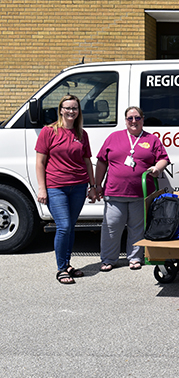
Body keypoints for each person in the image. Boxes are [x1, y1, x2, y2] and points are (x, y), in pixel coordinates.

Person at [95, 106, 170, 272]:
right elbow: (101, 161)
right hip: (115, 193)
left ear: (143, 119)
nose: (134, 121)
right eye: (130, 118)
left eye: (137, 118)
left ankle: (135, 258)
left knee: (137, 228)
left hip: (141, 194)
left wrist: (157, 169)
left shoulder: (152, 139)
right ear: (125, 120)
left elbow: (164, 158)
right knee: (111, 227)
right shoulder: (114, 137)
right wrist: (97, 184)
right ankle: (108, 259)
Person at [35, 95, 96, 284]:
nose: (71, 111)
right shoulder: (48, 131)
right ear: (60, 109)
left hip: (78, 186)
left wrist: (93, 186)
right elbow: (40, 162)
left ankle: (67, 264)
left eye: (75, 108)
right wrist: (42, 189)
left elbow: (87, 162)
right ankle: (61, 269)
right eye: (68, 108)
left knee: (70, 227)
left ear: (79, 111)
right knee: (64, 226)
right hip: (56, 187)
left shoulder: (81, 134)